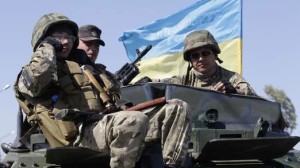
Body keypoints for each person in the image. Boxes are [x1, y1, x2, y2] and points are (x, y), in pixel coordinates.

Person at [15, 13, 191, 168]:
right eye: (59, 36)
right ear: (44, 39)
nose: (67, 41)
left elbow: (117, 93)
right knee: (132, 120)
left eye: (69, 36)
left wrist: (91, 69)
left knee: (176, 107)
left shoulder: (87, 69)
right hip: (79, 135)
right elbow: (39, 75)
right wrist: (46, 47)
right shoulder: (32, 75)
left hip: (104, 126)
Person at [141, 30, 257, 96]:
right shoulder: (183, 81)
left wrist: (234, 92)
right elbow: (158, 85)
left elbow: (254, 98)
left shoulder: (231, 78)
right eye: (195, 56)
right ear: (190, 61)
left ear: (215, 55)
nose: (201, 59)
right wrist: (144, 83)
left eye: (206, 53)